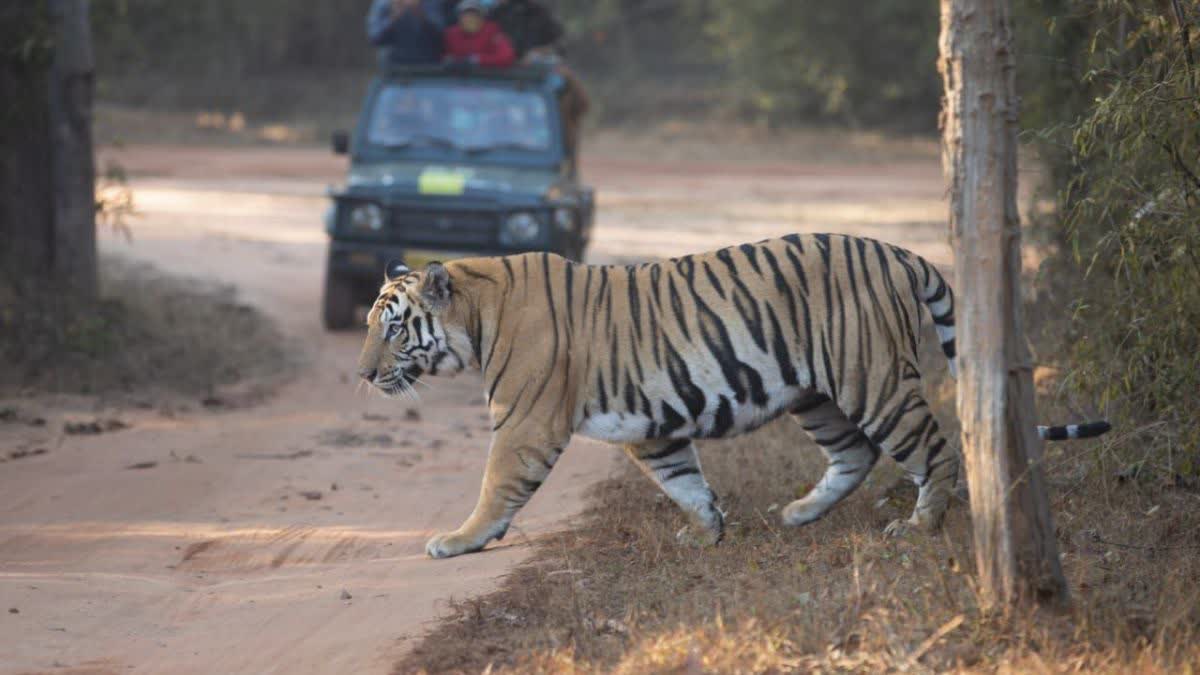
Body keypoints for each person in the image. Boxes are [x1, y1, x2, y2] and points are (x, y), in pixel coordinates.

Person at [366, 0, 445, 66]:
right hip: (392, 70)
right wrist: (394, 16)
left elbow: (441, 39)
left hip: (429, 69)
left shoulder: (432, 3)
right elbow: (375, 38)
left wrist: (419, 13)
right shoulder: (382, 4)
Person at [443, 0, 516, 68]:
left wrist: (478, 59)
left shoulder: (492, 32)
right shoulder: (451, 34)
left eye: (475, 15)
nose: (470, 19)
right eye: (465, 15)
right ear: (459, 18)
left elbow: (507, 57)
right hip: (458, 78)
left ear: (482, 18)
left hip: (486, 77)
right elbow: (446, 57)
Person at [487, 0, 563, 61]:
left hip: (531, 65)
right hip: (499, 63)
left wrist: (536, 53)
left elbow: (554, 43)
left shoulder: (540, 12)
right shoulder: (497, 12)